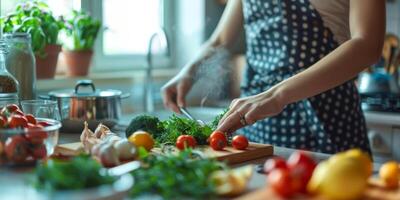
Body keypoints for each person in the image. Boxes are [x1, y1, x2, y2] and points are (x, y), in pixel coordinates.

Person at [161, 0, 385, 154]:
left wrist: (276, 95)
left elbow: (367, 45)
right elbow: (220, 39)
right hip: (255, 122)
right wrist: (188, 71)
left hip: (327, 118)